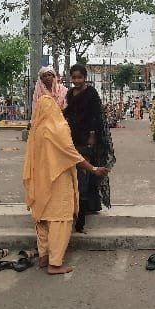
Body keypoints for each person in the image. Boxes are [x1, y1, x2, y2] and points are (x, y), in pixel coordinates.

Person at [23, 96, 109, 274]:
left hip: (40, 179)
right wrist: (93, 168)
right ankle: (55, 264)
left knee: (42, 218)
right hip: (58, 179)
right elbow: (71, 154)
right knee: (60, 218)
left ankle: (44, 256)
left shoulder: (36, 130)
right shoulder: (58, 127)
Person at [63, 64, 115, 233]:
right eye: (74, 77)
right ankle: (86, 206)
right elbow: (68, 113)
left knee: (84, 175)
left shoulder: (91, 93)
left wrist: (92, 136)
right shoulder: (70, 93)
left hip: (87, 138)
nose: (77, 80)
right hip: (73, 137)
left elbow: (96, 115)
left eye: (80, 77)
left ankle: (81, 220)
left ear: (85, 77)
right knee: (77, 175)